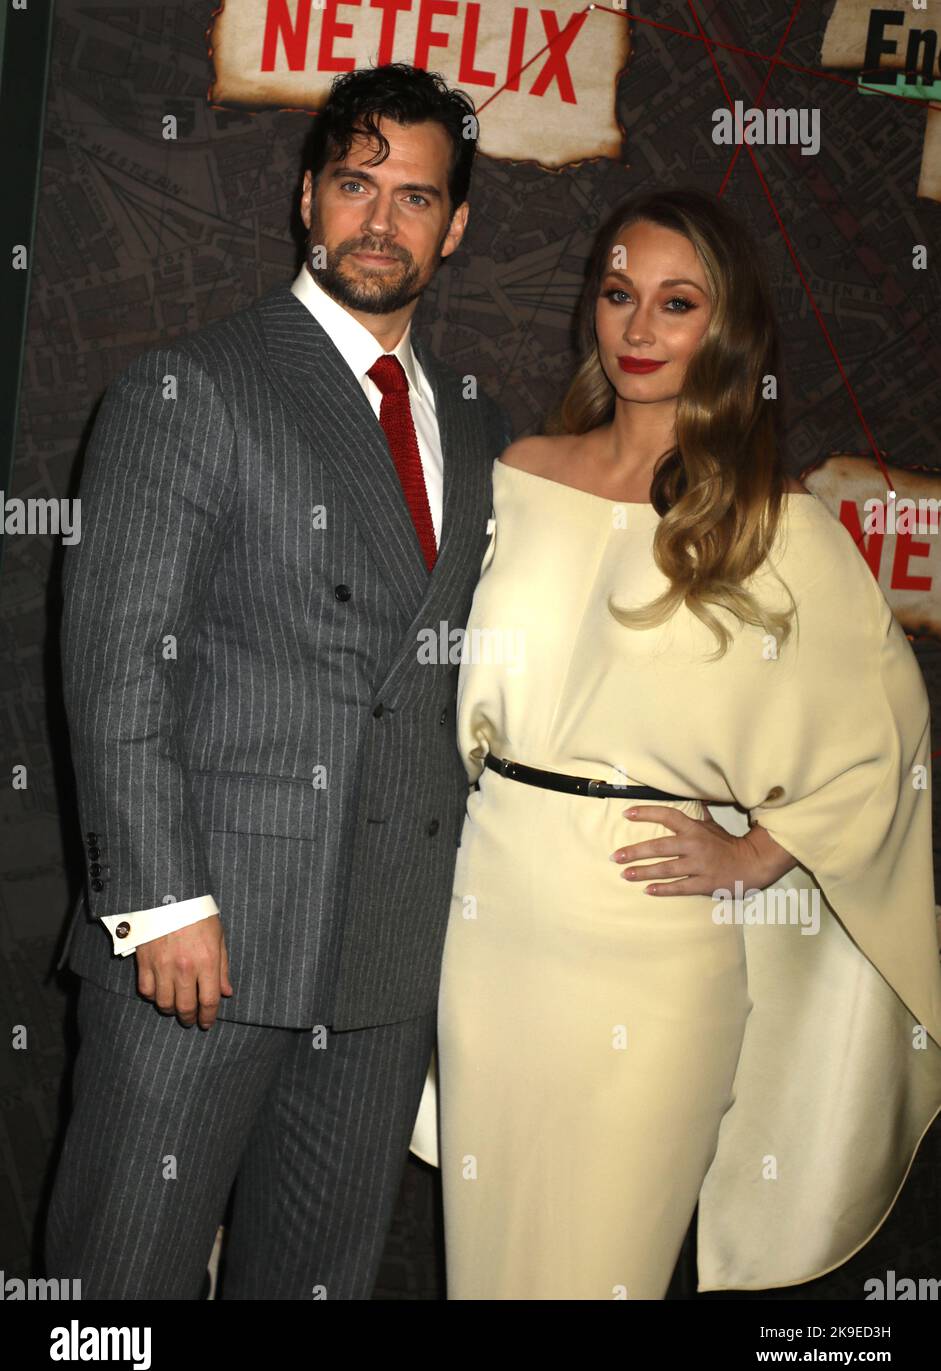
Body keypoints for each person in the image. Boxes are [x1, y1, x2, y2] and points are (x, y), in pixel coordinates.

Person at [412, 188, 941, 1298]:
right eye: (617, 295)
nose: (638, 328)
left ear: (725, 328)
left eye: (675, 302)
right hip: (491, 928)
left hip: (649, 958)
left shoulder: (768, 523)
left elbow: (883, 734)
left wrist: (757, 851)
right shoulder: (515, 474)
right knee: (485, 1268)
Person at [45, 63, 510, 1300]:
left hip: (380, 956)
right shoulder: (188, 382)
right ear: (308, 197)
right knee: (121, 1284)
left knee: (316, 1280)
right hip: (208, 941)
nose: (378, 220)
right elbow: (116, 662)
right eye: (355, 185)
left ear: (453, 227)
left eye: (414, 198)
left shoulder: (468, 421)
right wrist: (156, 902)